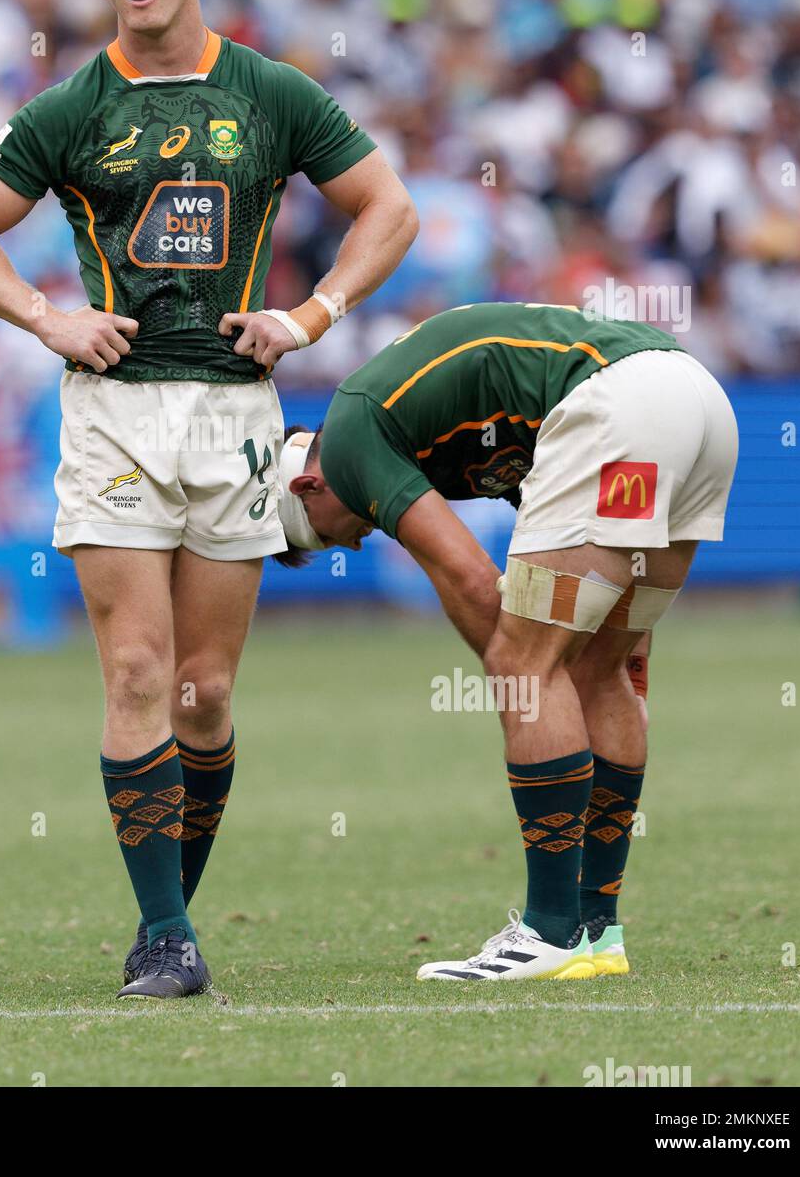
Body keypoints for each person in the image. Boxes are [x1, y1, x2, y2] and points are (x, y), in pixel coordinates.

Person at [0, 0, 418, 998]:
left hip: (238, 416)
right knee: (138, 668)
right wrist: (50, 317)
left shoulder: (271, 91)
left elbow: (388, 209)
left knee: (203, 693)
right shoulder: (69, 107)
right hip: (114, 414)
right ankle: (165, 937)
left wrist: (309, 315)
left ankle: (170, 915)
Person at [275, 301, 738, 981]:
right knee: (603, 669)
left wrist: (520, 672)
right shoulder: (443, 435)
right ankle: (595, 931)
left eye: (317, 531)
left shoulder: (347, 439)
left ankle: (548, 935)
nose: (350, 539)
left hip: (619, 403)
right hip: (697, 404)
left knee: (524, 661)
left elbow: (465, 575)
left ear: (307, 483)